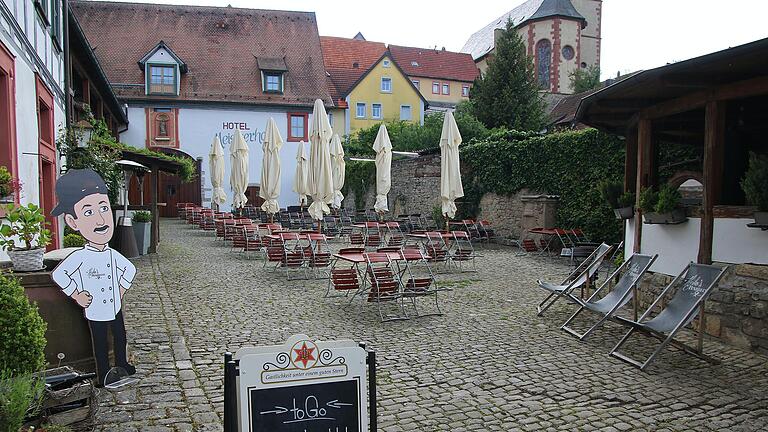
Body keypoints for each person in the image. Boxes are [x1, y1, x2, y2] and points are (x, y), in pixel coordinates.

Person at [50, 169, 137, 386]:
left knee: (119, 336)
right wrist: (77, 295)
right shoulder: (80, 256)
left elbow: (129, 269)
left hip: (115, 306)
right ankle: (103, 373)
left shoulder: (112, 254)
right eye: (88, 212)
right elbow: (60, 274)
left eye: (104, 208)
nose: (100, 219)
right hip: (95, 309)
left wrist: (121, 289)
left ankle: (122, 365)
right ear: (73, 221)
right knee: (99, 341)